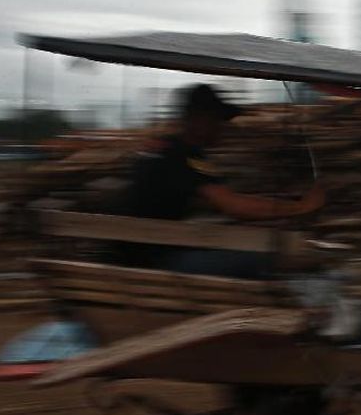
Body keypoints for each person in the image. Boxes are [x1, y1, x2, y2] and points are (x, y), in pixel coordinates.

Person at [122, 82, 325, 278]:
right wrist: (300, 207)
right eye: (218, 120)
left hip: (134, 252)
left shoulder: (165, 148)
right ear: (199, 119)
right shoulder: (186, 157)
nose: (223, 128)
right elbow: (234, 206)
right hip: (154, 263)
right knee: (262, 261)